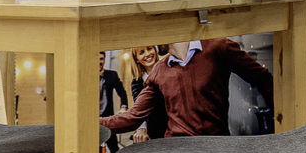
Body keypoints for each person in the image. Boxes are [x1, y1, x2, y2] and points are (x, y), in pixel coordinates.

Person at [100, 38, 274, 141]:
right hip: (177, 152)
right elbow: (132, 118)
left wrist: (282, 123)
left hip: (216, 149)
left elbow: (263, 79)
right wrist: (91, 125)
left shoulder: (219, 48)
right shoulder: (159, 70)